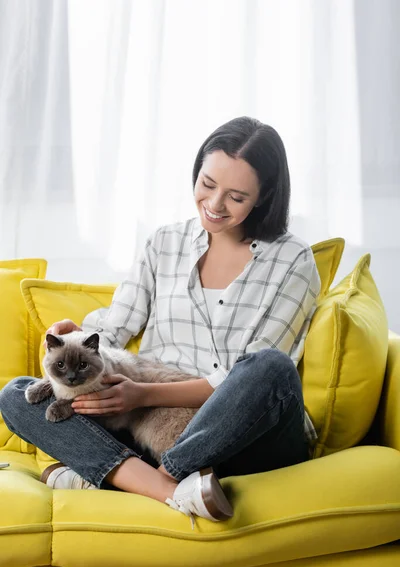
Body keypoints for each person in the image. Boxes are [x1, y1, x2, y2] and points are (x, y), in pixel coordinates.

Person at [0, 116, 321, 526]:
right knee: (17, 394)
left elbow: (243, 379)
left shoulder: (292, 260)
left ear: (265, 195)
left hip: (244, 432)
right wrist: (73, 336)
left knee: (270, 368)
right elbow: (112, 330)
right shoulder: (165, 243)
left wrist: (143, 395)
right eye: (207, 184)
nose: (215, 204)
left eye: (236, 196)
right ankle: (173, 491)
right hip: (147, 428)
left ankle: (141, 476)